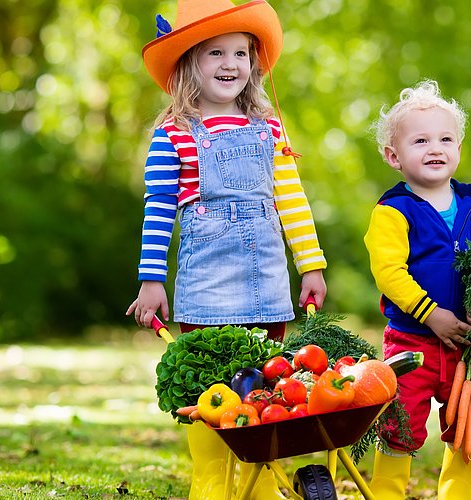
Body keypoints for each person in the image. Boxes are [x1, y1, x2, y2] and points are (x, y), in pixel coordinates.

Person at [125, 1, 326, 498]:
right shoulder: (173, 134)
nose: (231, 64)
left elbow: (292, 200)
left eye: (240, 52)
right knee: (209, 391)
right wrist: (152, 280)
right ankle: (211, 483)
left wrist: (311, 265)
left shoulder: (270, 129)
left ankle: (258, 487)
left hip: (268, 281)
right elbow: (158, 210)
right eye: (215, 52)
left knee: (264, 387)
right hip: (206, 286)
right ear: (189, 61)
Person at [363, 80, 471, 499]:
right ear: (394, 156)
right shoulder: (392, 211)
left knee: (469, 423)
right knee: (399, 423)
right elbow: (390, 273)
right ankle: (387, 491)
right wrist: (430, 313)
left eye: (445, 139)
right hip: (411, 342)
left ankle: (455, 494)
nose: (434, 148)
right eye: (420, 140)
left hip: (470, 343)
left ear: (459, 147)